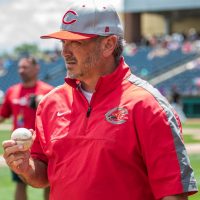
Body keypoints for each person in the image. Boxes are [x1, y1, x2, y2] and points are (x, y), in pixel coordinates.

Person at [2, 1, 198, 200]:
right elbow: (43, 176)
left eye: (75, 42)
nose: (65, 51)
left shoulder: (148, 105)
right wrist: (26, 168)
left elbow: (173, 192)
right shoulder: (50, 103)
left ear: (108, 44)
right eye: (63, 42)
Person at [0, 57, 53, 200]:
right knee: (20, 183)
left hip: (44, 145)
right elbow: (3, 115)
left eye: (25, 67)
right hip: (19, 146)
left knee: (49, 183)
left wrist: (42, 101)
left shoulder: (49, 91)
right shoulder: (12, 91)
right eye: (20, 68)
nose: (21, 71)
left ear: (36, 69)